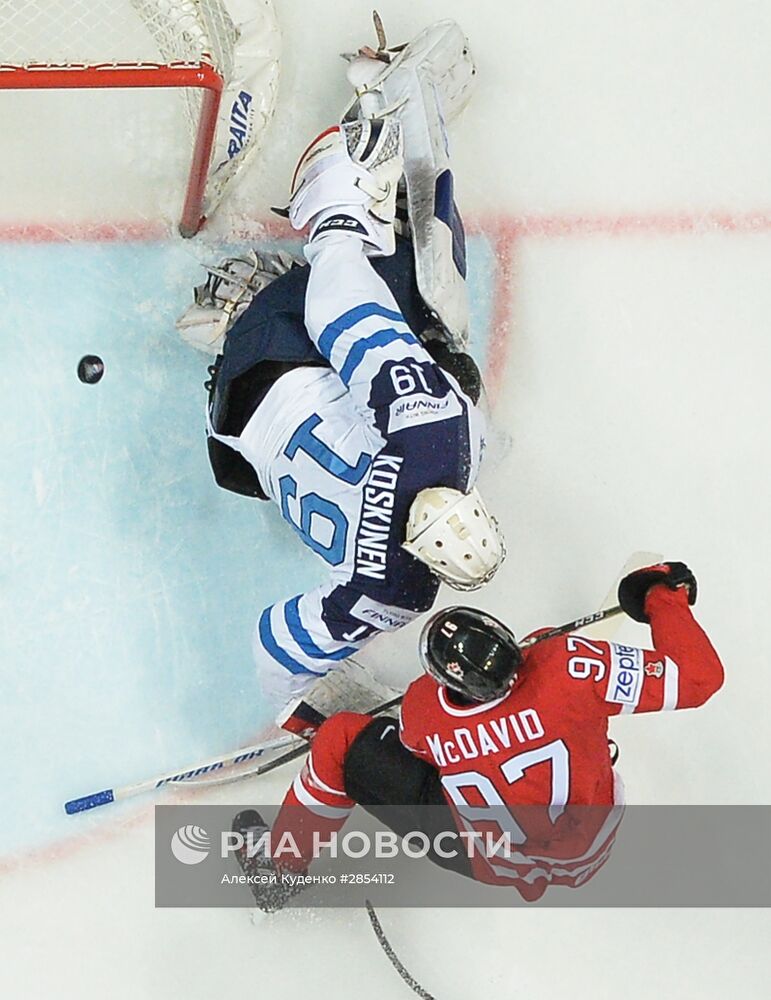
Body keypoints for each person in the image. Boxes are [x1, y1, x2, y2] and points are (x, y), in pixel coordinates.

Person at [232, 560, 725, 909]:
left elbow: (421, 741)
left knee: (340, 738)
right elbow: (701, 678)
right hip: (590, 850)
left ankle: (278, 871)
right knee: (580, 721)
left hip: (481, 859)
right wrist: (662, 595)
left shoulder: (426, 709)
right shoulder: (569, 667)